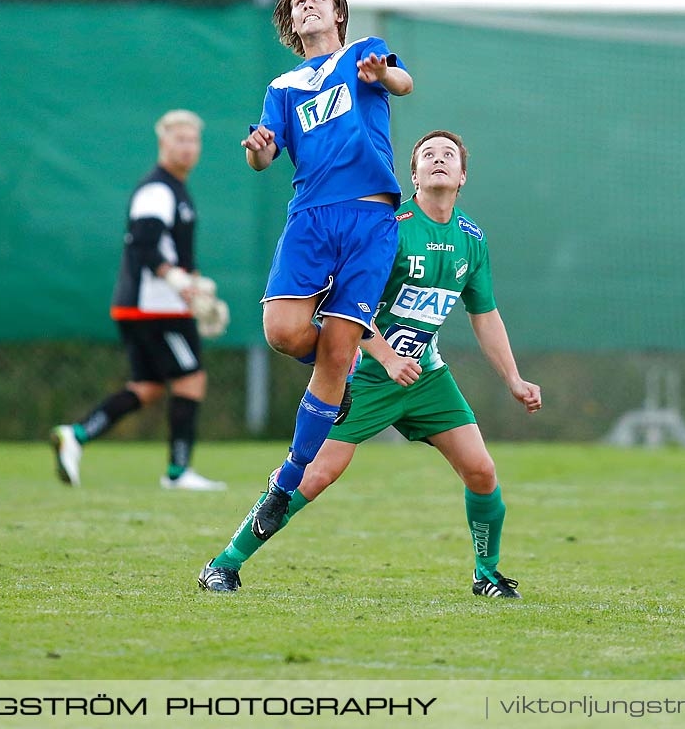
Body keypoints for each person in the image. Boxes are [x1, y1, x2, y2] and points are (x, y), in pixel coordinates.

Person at [200, 130, 542, 597]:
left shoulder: (471, 239)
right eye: (427, 155)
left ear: (463, 176)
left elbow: (485, 316)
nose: (438, 160)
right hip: (364, 376)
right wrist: (386, 355)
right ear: (413, 174)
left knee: (481, 472)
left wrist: (514, 379)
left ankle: (487, 575)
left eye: (449, 156)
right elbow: (342, 306)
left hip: (425, 377)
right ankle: (223, 564)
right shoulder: (391, 226)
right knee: (313, 476)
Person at [238, 0, 413, 541]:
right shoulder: (282, 86)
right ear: (291, 23)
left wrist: (382, 73)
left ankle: (283, 485)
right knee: (283, 331)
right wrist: (261, 152)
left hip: (368, 218)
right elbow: (264, 158)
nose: (308, 6)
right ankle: (339, 377)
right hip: (311, 218)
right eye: (298, 3)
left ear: (338, 14)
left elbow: (404, 82)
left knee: (337, 353)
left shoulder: (363, 55)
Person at [51, 109, 229, 491]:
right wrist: (178, 279)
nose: (187, 147)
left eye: (193, 140)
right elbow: (144, 244)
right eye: (179, 139)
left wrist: (196, 286)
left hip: (147, 305)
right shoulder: (157, 189)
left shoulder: (176, 189)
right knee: (191, 379)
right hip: (155, 307)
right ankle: (178, 473)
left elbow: (171, 251)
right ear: (163, 143)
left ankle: (76, 435)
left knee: (147, 387)